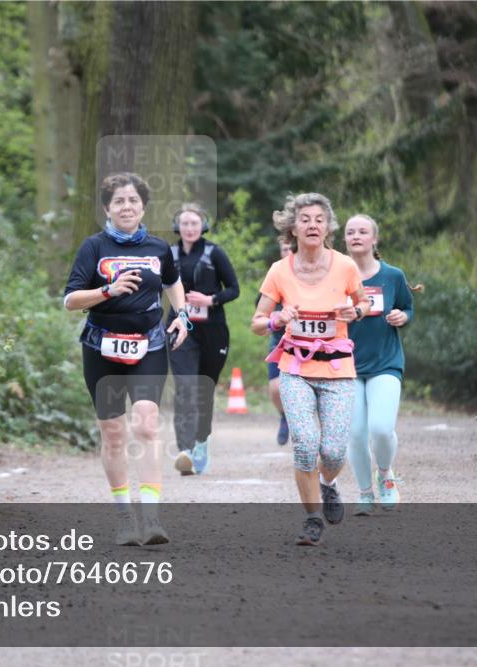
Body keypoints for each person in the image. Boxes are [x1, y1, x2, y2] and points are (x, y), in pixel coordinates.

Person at [64, 172, 190, 546]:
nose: (126, 207)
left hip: (148, 345)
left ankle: (150, 518)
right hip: (101, 348)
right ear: (107, 208)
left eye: (133, 200)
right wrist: (108, 290)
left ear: (143, 207)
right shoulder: (93, 247)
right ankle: (124, 518)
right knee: (114, 433)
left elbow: (172, 281)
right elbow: (70, 300)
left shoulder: (158, 248)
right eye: (118, 201)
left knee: (147, 424)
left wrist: (181, 315)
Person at [251, 193, 370, 546]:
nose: (313, 225)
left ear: (328, 227)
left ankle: (328, 483)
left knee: (333, 451)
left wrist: (356, 312)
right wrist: (277, 318)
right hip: (295, 368)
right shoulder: (279, 270)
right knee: (305, 444)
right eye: (305, 219)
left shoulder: (345, 266)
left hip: (337, 369)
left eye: (319, 219)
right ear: (293, 228)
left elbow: (363, 302)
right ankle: (312, 518)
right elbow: (258, 322)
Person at [343, 214, 415, 515]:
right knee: (356, 433)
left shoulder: (393, 275)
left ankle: (385, 474)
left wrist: (402, 316)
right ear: (344, 239)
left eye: (362, 231)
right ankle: (364, 493)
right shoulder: (336, 275)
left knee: (381, 429)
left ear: (374, 239)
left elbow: (407, 307)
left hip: (385, 362)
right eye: (350, 232)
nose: (356, 236)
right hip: (345, 365)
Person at [169, 203, 240, 476]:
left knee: (203, 392)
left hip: (213, 331)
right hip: (180, 330)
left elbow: (234, 289)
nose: (189, 228)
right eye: (185, 223)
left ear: (203, 226)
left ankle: (201, 442)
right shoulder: (168, 254)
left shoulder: (215, 253)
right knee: (185, 388)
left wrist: (211, 300)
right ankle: (185, 451)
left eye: (194, 223)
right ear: (177, 227)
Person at [266, 239, 294, 446]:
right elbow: (261, 311)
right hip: (280, 342)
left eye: (292, 248)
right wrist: (272, 320)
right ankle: (284, 416)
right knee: (276, 389)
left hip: (309, 344)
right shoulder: (275, 275)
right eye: (285, 249)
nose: (289, 252)